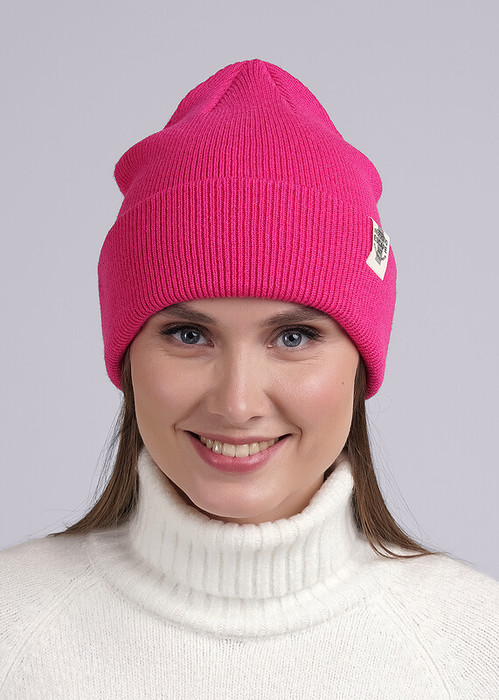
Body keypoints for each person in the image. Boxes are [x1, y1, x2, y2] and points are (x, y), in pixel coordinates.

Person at [1, 58, 498, 699]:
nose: (237, 404)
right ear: (127, 359)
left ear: (361, 362)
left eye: (294, 338)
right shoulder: (13, 631)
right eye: (189, 335)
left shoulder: (474, 649)